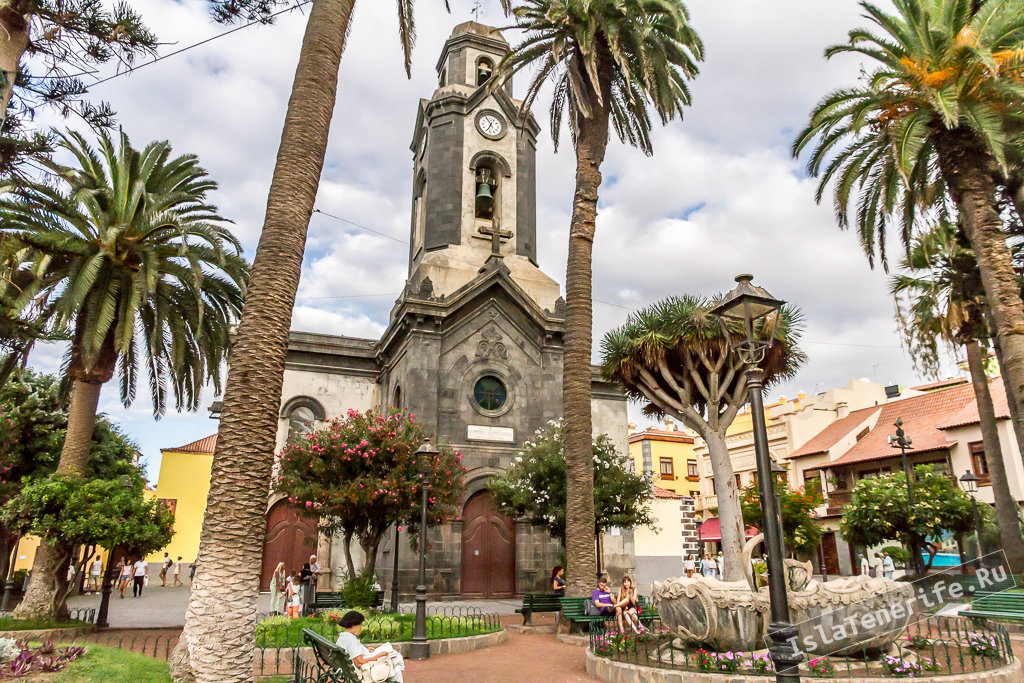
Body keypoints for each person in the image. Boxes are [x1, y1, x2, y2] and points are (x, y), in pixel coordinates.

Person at [335, 610, 405, 682]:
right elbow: (359, 662)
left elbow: (354, 653)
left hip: (351, 668)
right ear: (353, 625)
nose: (361, 628)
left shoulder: (343, 636)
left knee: (396, 669)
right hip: (366, 668)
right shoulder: (351, 640)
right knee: (397, 657)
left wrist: (365, 650)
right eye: (360, 625)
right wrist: (377, 656)